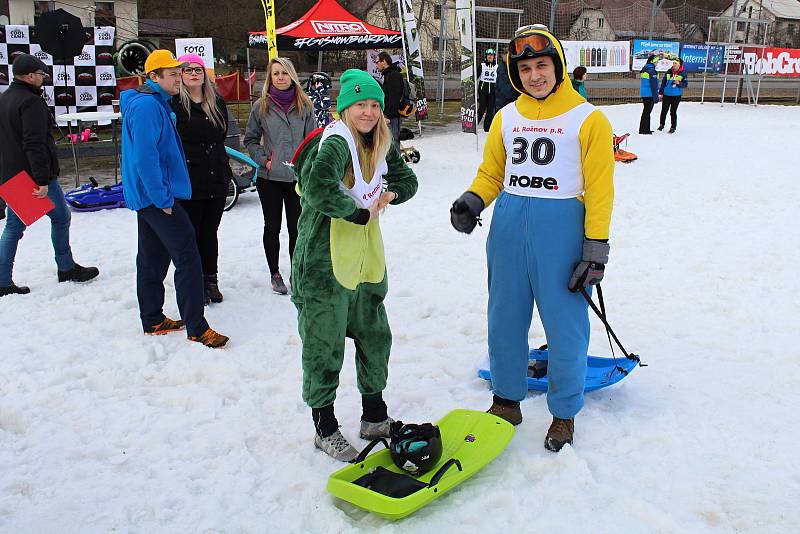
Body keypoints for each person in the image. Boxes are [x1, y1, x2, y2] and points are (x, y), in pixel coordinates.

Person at [449, 25, 614, 452]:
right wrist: (472, 201)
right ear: (514, 72)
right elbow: (491, 173)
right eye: (525, 68)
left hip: (561, 230)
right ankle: (506, 400)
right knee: (504, 316)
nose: (534, 75)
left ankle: (563, 413)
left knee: (565, 326)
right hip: (507, 226)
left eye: (542, 65)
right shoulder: (507, 116)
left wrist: (595, 250)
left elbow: (599, 189)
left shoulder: (588, 118)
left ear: (557, 67)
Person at [290, 69, 418, 461]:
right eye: (360, 104)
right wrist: (358, 212)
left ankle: (374, 416)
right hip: (325, 262)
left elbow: (408, 180)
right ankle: (324, 426)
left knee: (375, 338)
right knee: (324, 344)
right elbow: (317, 187)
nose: (368, 111)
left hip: (366, 261)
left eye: (375, 104)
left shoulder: (380, 141)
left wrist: (391, 193)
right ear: (345, 107)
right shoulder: (333, 143)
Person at [121, 49, 228, 348]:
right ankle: (197, 326)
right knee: (188, 257)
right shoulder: (146, 107)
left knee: (152, 258)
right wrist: (162, 197)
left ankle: (153, 318)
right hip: (157, 197)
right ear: (153, 76)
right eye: (171, 74)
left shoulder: (153, 102)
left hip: (153, 196)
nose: (178, 78)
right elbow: (146, 158)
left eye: (177, 72)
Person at [0, 53, 99, 297]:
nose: (44, 79)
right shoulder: (30, 102)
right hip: (33, 177)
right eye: (42, 75)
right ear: (30, 75)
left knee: (24, 224)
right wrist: (42, 180)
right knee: (46, 220)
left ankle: (62, 267)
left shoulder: (5, 98)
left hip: (12, 173)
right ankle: (62, 268)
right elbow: (34, 143)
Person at [244, 57, 315, 295]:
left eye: (284, 73)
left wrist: (308, 168)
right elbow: (250, 140)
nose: (281, 77)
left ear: (292, 75)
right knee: (272, 226)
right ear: (270, 77)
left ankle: (297, 271)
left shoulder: (304, 105)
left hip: (297, 179)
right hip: (270, 178)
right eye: (276, 73)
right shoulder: (261, 106)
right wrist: (264, 160)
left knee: (297, 228)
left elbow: (313, 142)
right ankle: (275, 273)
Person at [170, 53, 232, 305]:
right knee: (192, 233)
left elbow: (222, 133)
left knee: (210, 232)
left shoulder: (215, 101)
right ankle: (194, 282)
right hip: (190, 178)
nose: (193, 73)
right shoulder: (175, 104)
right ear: (181, 75)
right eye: (187, 70)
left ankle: (211, 280)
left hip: (216, 177)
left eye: (197, 69)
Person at [375, 51, 404, 149]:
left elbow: (394, 99)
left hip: (392, 117)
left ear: (384, 61)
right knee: (388, 142)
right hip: (390, 115)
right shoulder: (388, 75)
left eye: (377, 62)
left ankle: (396, 163)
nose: (376, 65)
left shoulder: (393, 76)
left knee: (392, 142)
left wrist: (387, 115)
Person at [658, 58, 687, 134]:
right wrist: (661, 92)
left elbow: (685, 84)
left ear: (679, 65)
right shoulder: (669, 71)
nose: (673, 65)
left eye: (675, 63)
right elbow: (663, 83)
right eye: (673, 63)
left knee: (673, 111)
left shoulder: (683, 73)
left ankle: (673, 127)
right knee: (664, 110)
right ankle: (661, 124)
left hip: (676, 96)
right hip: (667, 94)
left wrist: (678, 83)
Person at [477, 48, 498, 132]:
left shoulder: (497, 67)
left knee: (490, 110)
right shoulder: (482, 66)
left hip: (492, 92)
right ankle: (475, 125)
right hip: (483, 91)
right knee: (481, 108)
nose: (490, 56)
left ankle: (487, 128)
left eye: (491, 55)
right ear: (486, 56)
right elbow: (476, 77)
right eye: (488, 55)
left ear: (494, 57)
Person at [494, 47, 520, 114]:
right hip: (504, 105)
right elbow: (507, 91)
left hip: (508, 104)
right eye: (507, 55)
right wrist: (519, 91)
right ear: (503, 56)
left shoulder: (510, 67)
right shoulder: (502, 70)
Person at [639, 54, 660, 134]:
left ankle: (644, 128)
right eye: (657, 61)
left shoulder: (645, 68)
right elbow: (654, 86)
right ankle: (644, 130)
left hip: (645, 93)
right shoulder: (652, 71)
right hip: (649, 94)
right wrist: (656, 97)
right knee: (647, 112)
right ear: (653, 61)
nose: (657, 62)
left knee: (646, 112)